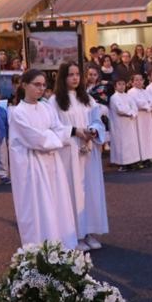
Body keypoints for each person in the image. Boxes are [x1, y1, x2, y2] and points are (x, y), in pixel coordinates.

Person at [8, 69, 79, 249]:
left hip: (52, 162)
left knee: (57, 203)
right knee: (38, 208)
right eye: (36, 85)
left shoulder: (46, 107)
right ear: (24, 85)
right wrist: (53, 137)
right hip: (33, 167)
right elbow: (35, 139)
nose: (41, 89)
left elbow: (58, 128)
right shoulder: (18, 112)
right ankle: (40, 249)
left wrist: (56, 135)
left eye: (43, 85)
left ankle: (62, 245)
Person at [51, 62, 109, 251]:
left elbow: (97, 120)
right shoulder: (55, 102)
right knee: (73, 192)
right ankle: (74, 234)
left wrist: (93, 130)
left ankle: (89, 231)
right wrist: (76, 131)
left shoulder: (87, 99)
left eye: (77, 74)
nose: (75, 78)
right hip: (69, 153)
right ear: (62, 78)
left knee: (90, 191)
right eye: (70, 75)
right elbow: (54, 128)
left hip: (88, 152)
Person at [108, 76, 141, 171]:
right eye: (119, 84)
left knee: (130, 142)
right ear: (115, 86)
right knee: (121, 143)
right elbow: (120, 110)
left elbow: (134, 107)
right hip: (119, 124)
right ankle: (121, 164)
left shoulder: (128, 96)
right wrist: (130, 112)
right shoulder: (114, 98)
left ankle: (131, 162)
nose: (122, 86)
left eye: (123, 84)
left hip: (129, 123)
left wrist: (133, 113)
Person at [127, 73, 152, 168]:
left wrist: (148, 104)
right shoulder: (131, 92)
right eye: (136, 80)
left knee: (147, 137)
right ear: (132, 82)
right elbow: (137, 103)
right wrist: (147, 105)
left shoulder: (145, 91)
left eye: (140, 80)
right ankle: (141, 158)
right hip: (139, 118)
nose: (138, 82)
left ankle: (148, 157)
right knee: (140, 137)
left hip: (147, 117)